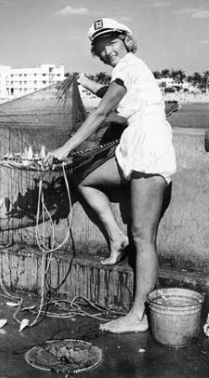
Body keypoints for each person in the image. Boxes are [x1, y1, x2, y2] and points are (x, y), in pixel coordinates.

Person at [45, 18, 176, 333]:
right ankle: (116, 239)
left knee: (143, 236)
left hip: (149, 147)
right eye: (100, 48)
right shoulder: (128, 70)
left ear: (127, 41)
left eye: (112, 43)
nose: (107, 51)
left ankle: (139, 317)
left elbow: (103, 111)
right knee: (83, 177)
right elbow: (113, 96)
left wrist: (65, 148)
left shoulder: (130, 64)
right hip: (132, 146)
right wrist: (87, 83)